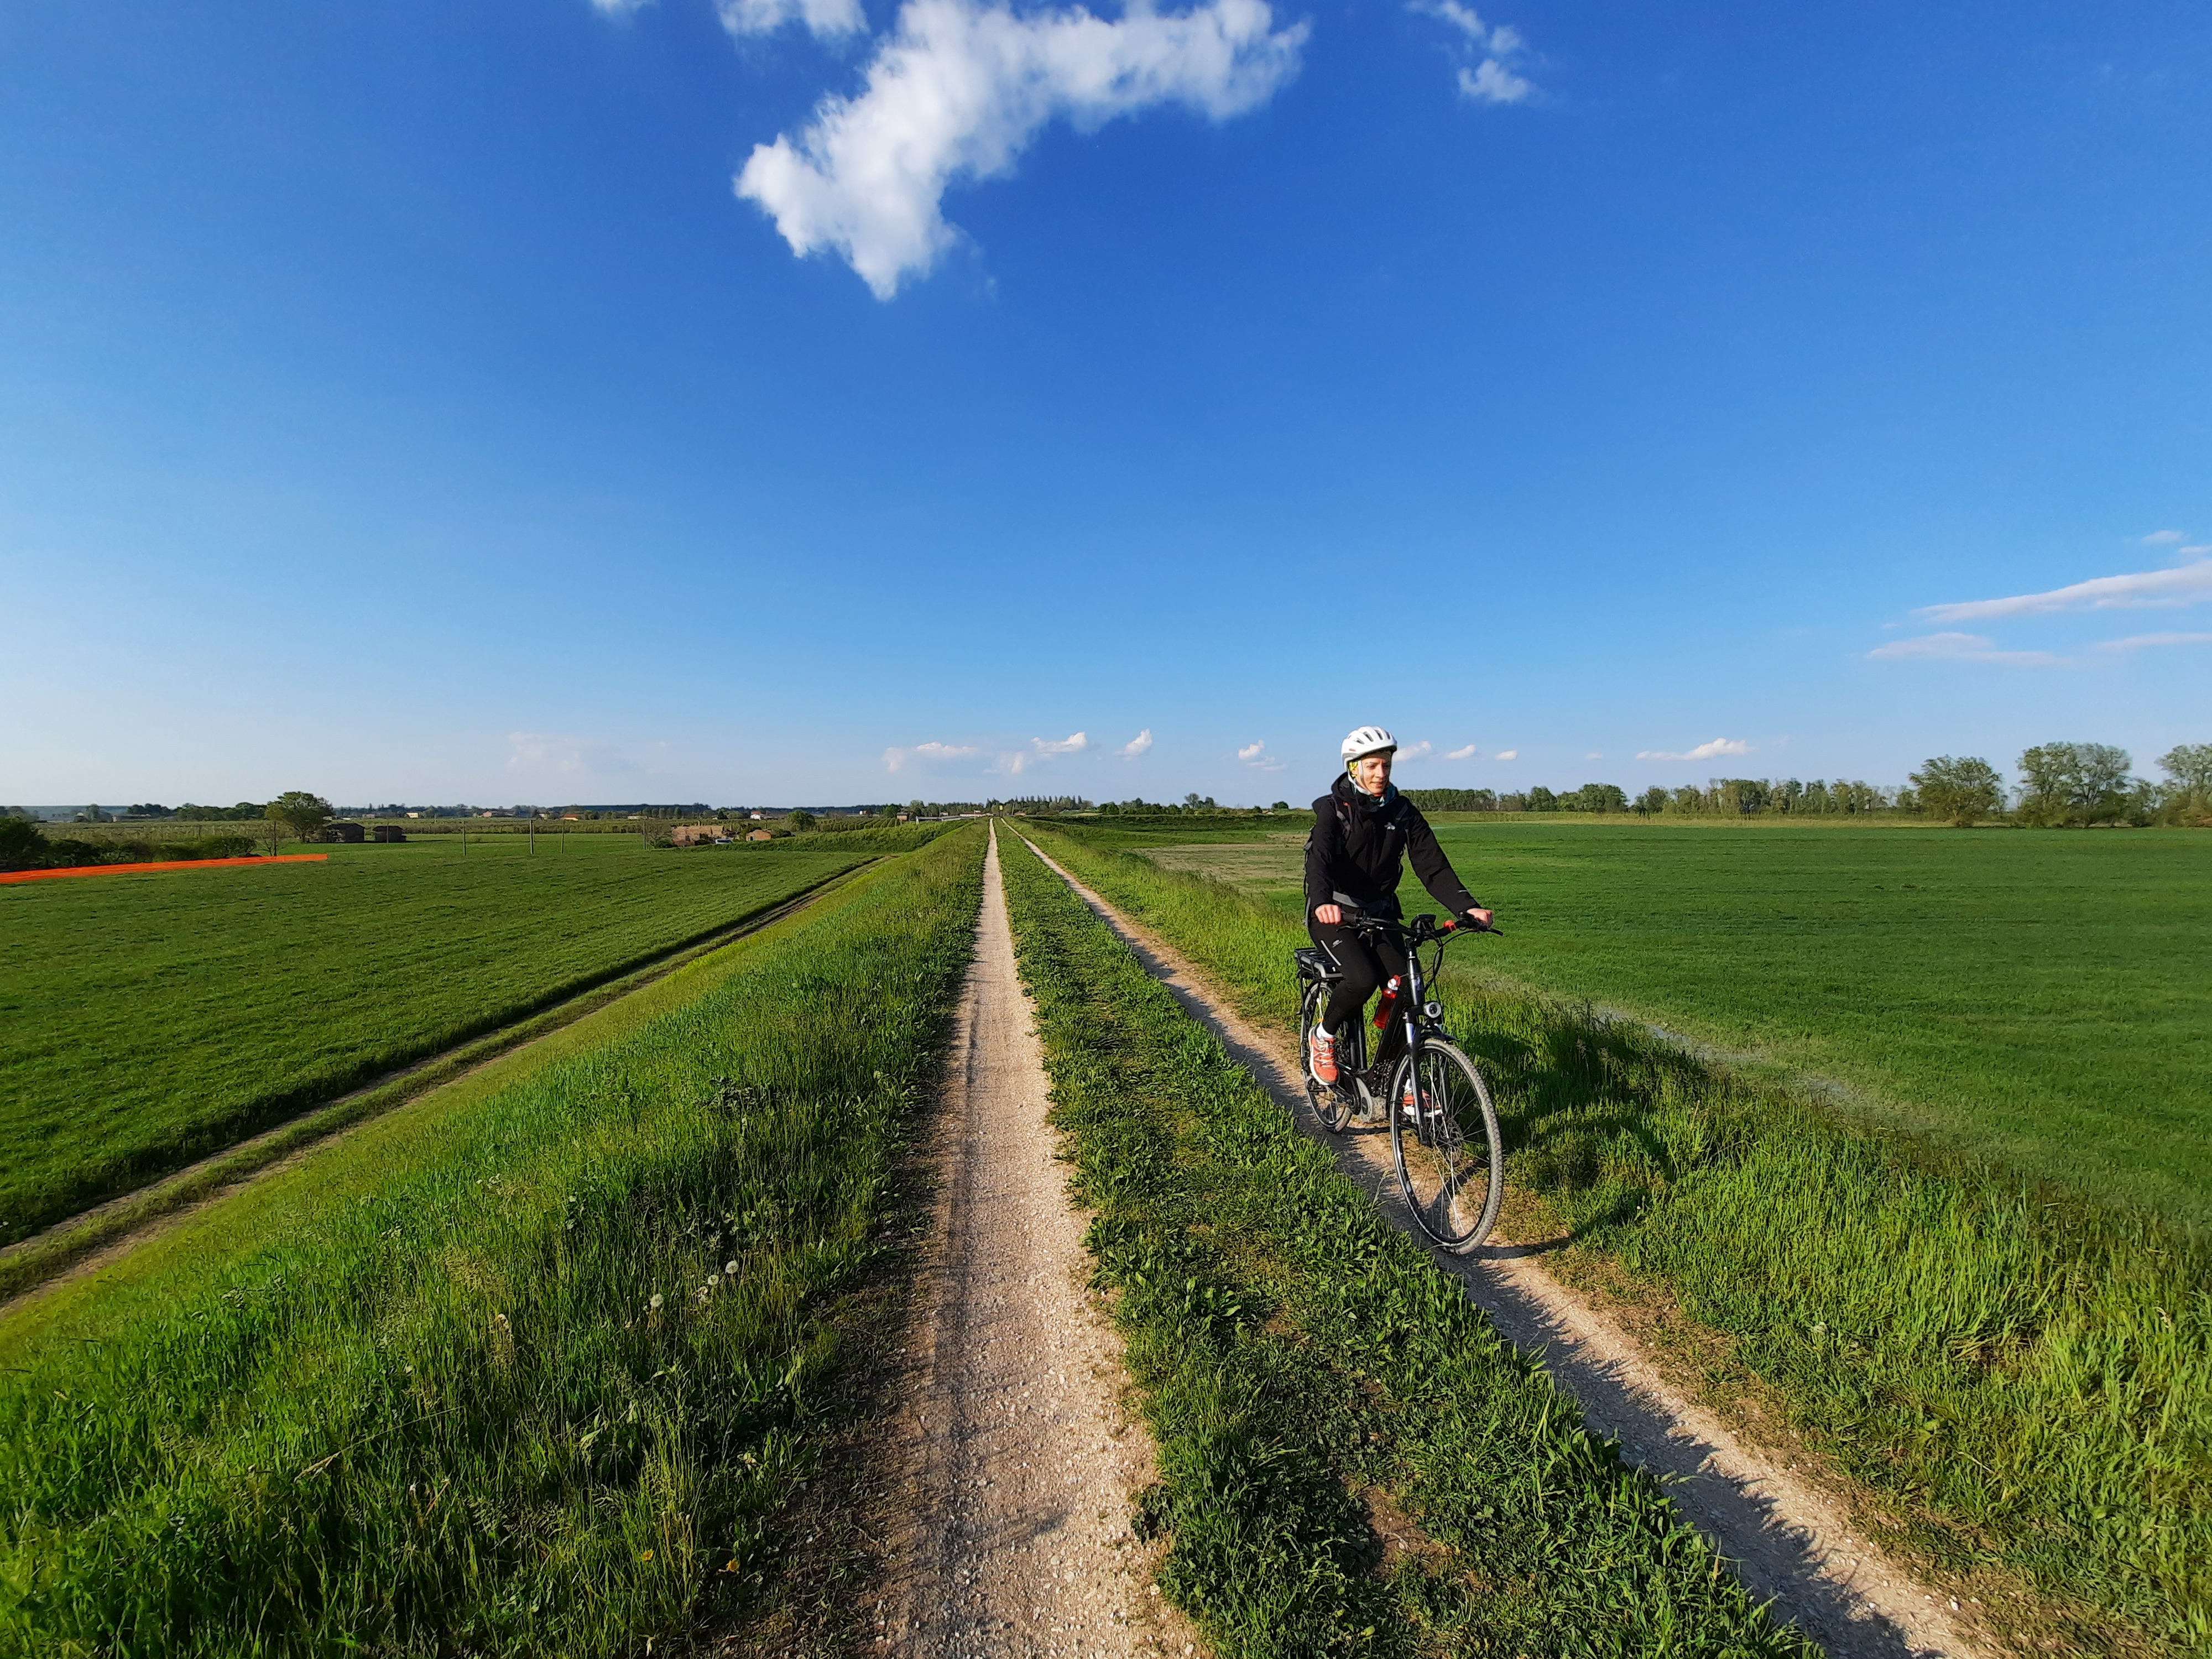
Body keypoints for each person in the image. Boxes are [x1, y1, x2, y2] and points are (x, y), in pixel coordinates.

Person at [1305, 726, 1493, 1085]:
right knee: (1362, 979)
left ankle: (1392, 1073)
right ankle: (1324, 1036)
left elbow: (1432, 866)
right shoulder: (1335, 811)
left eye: (1386, 766)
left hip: (1380, 913)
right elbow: (1320, 861)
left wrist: (1467, 907)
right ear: (1354, 768)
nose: (1381, 774)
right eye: (1372, 766)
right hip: (1336, 914)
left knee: (1407, 987)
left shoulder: (1402, 811)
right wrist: (1324, 902)